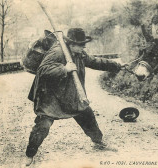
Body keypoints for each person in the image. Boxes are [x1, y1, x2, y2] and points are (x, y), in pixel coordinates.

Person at [25, 28, 124, 166]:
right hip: (50, 97)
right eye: (81, 44)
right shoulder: (58, 52)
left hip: (70, 94)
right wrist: (64, 69)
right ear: (71, 44)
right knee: (43, 125)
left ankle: (98, 142)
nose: (84, 47)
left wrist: (116, 65)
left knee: (87, 114)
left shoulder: (79, 54)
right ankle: (30, 154)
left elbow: (95, 61)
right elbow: (43, 70)